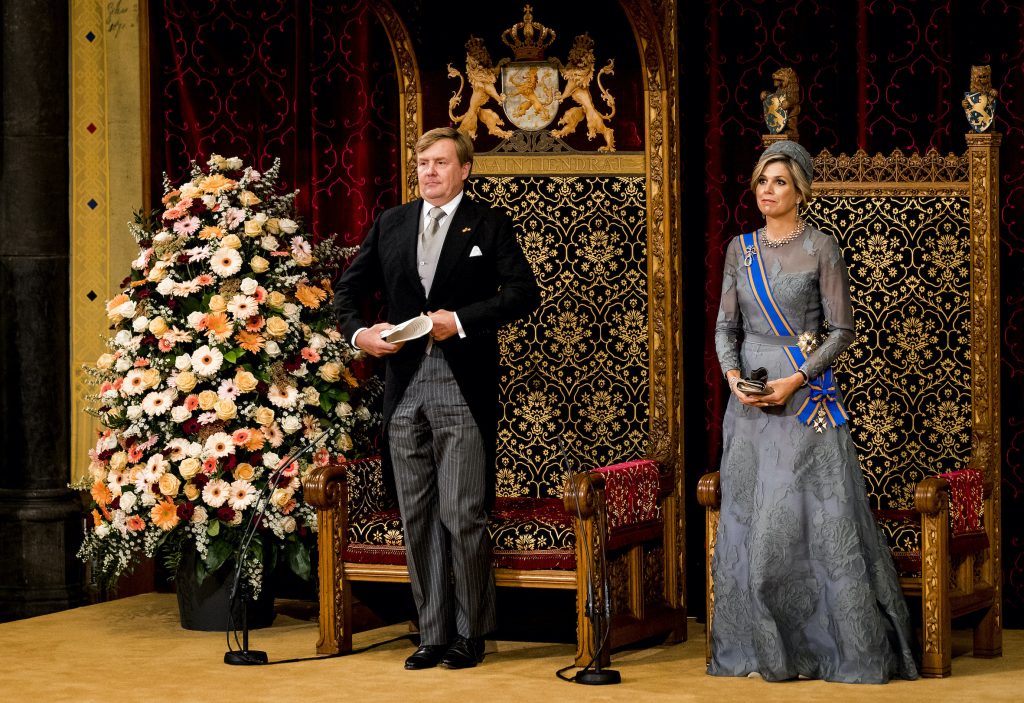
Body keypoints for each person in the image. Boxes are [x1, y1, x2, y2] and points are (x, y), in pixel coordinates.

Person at [709, 140, 919, 683]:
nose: (767, 191)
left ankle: (825, 650)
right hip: (748, 405)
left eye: (778, 182)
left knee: (805, 521)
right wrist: (733, 377)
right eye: (761, 182)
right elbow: (724, 326)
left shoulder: (822, 247)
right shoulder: (740, 249)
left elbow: (842, 329)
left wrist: (795, 379)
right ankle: (757, 649)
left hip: (803, 400)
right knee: (751, 519)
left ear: (800, 189)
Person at [333, 127, 540, 670]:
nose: (428, 171)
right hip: (403, 388)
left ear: (464, 169)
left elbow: (523, 293)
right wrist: (361, 336)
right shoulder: (392, 223)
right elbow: (346, 292)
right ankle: (431, 631)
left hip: (460, 385)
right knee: (417, 514)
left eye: (440, 163)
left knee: (462, 512)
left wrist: (461, 322)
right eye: (423, 162)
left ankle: (471, 634)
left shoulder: (490, 224)